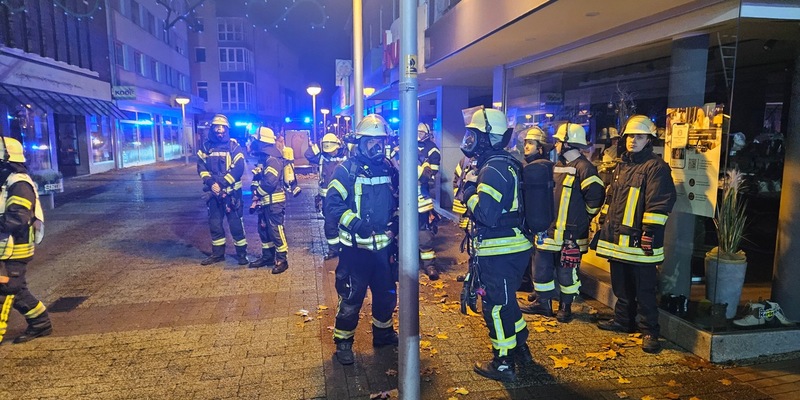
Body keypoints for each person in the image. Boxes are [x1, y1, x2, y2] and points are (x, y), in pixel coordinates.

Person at [460, 107, 533, 382]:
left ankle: (503, 362)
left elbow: (487, 214)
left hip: (500, 250)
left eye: (475, 135)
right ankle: (521, 346)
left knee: (496, 306)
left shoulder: (493, 168)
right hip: (510, 247)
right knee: (506, 301)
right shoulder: (503, 162)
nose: (470, 141)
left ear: (489, 137)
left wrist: (468, 192)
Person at [592, 115, 676, 354]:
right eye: (630, 136)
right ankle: (622, 321)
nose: (633, 141)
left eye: (639, 137)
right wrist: (603, 226)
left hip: (639, 242)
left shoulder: (656, 167)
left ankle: (650, 331)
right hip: (618, 239)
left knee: (644, 290)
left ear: (649, 140)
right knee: (621, 286)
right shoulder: (623, 165)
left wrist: (649, 234)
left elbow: (658, 204)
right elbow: (613, 199)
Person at [325, 114, 399, 366]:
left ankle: (383, 334)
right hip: (355, 252)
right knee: (351, 298)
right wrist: (355, 223)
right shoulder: (346, 169)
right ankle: (343, 343)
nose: (378, 148)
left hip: (383, 250)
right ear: (361, 142)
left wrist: (398, 222)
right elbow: (332, 203)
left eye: (381, 142)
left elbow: (399, 198)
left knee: (386, 295)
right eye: (372, 143)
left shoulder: (389, 168)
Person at [521, 123, 605, 323]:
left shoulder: (585, 168)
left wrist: (582, 219)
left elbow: (596, 198)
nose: (556, 145)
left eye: (559, 141)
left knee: (567, 273)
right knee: (541, 269)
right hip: (550, 231)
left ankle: (565, 308)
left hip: (570, 235)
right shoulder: (556, 166)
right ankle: (543, 304)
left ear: (568, 144)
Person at [0, 137, 52, 344]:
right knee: (17, 288)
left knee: (5, 290)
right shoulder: (7, 181)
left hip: (16, 247)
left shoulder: (19, 183)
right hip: (7, 246)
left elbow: (18, 218)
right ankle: (40, 323)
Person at [197, 114, 248, 266]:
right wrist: (211, 182)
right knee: (215, 224)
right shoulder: (206, 147)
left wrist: (222, 183)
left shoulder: (234, 146)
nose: (220, 132)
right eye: (217, 129)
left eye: (222, 129)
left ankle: (242, 255)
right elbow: (201, 167)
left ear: (227, 130)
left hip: (232, 195)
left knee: (236, 225)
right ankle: (218, 254)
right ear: (212, 129)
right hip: (214, 194)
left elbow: (238, 169)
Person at [517, 126, 555, 298]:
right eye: (526, 143)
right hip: (529, 219)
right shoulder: (528, 166)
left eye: (531, 143)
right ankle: (529, 285)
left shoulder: (545, 168)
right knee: (530, 254)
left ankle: (540, 293)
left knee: (540, 258)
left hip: (541, 220)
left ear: (540, 148)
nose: (526, 147)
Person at [248, 127, 290, 274]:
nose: (252, 142)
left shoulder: (272, 160)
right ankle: (267, 256)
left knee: (276, 230)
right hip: (265, 202)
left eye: (255, 140)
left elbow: (269, 182)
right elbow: (257, 178)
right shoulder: (264, 158)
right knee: (264, 230)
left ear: (261, 141)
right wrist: (254, 190)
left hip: (274, 203)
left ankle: (282, 260)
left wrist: (257, 194)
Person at [305, 133, 347, 259]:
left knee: (346, 222)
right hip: (327, 197)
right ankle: (333, 249)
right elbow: (308, 154)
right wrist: (320, 144)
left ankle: (345, 247)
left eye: (332, 149)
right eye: (327, 150)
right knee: (330, 223)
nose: (330, 153)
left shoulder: (346, 155)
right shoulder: (322, 157)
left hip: (344, 196)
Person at [416, 122, 442, 280]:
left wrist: (421, 171)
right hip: (400, 199)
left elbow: (430, 174)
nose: (418, 135)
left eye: (421, 132)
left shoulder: (432, 148)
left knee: (424, 232)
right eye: (416, 132)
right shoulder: (403, 146)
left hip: (421, 199)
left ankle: (429, 265)